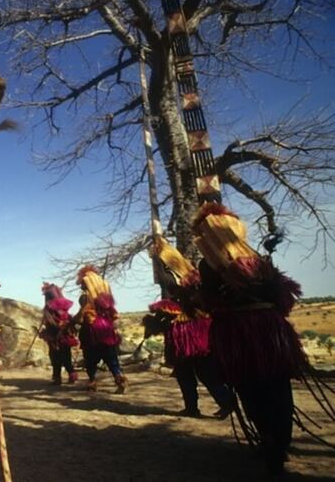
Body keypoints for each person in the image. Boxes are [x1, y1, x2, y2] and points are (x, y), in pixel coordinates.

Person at [192, 203, 308, 474]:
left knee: (249, 388)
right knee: (278, 387)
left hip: (238, 336)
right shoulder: (259, 260)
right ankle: (279, 443)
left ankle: (269, 441)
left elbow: (209, 303)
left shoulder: (209, 266)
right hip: (272, 331)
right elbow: (283, 299)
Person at [143, 237, 234, 418]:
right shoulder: (190, 273)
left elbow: (167, 291)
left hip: (184, 331)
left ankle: (207, 405)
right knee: (201, 370)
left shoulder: (169, 277)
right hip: (198, 328)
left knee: (189, 371)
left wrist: (155, 258)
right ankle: (221, 402)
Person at [75, 266, 127, 393]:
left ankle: (92, 382)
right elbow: (113, 314)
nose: (81, 286)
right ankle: (119, 379)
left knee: (90, 358)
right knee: (111, 357)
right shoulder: (106, 297)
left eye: (82, 284)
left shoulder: (85, 297)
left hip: (92, 329)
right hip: (107, 328)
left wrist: (73, 321)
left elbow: (82, 314)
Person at [41, 283, 78, 385]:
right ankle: (72, 374)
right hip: (65, 335)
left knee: (55, 357)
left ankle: (57, 378)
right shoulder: (64, 306)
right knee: (66, 356)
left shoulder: (49, 308)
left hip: (55, 336)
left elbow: (51, 322)